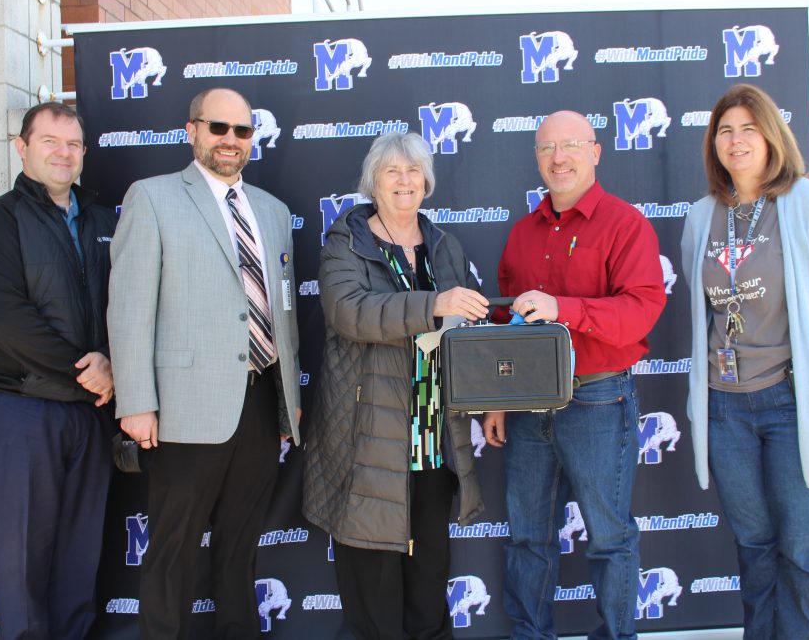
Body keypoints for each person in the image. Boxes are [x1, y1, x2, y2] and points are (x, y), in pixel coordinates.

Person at [680, 83, 809, 639]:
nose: (736, 140)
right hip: (727, 408)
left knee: (805, 556)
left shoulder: (808, 203)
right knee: (755, 551)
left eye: (748, 128)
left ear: (771, 136)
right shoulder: (700, 218)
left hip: (797, 404)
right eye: (725, 130)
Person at [108, 87, 302, 639]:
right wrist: (138, 404)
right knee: (172, 546)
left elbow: (283, 315)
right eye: (218, 128)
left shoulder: (272, 211)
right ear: (191, 130)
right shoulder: (152, 197)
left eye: (242, 132)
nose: (231, 141)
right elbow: (129, 310)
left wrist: (290, 406)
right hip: (184, 407)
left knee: (241, 545)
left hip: (262, 402)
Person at [482, 110, 666, 640]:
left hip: (597, 399)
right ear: (537, 159)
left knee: (609, 537)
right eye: (546, 149)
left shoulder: (624, 223)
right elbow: (504, 326)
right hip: (525, 405)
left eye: (570, 145)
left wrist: (564, 307)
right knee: (526, 537)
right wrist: (498, 398)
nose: (557, 158)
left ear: (595, 152)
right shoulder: (521, 234)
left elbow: (640, 311)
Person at [303, 132, 489, 640]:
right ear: (373, 183)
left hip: (433, 440)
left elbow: (463, 331)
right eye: (392, 172)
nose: (404, 181)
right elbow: (349, 313)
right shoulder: (347, 241)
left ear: (427, 181)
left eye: (413, 171)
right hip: (369, 440)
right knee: (373, 595)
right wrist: (434, 304)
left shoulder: (445, 244)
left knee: (429, 584)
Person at [0, 102, 115, 640]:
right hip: (19, 411)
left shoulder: (101, 220)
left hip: (87, 415)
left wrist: (112, 362)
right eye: (49, 141)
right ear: (22, 147)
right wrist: (89, 370)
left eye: (73, 144)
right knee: (21, 564)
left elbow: (127, 302)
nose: (63, 152)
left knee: (78, 564)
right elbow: (8, 320)